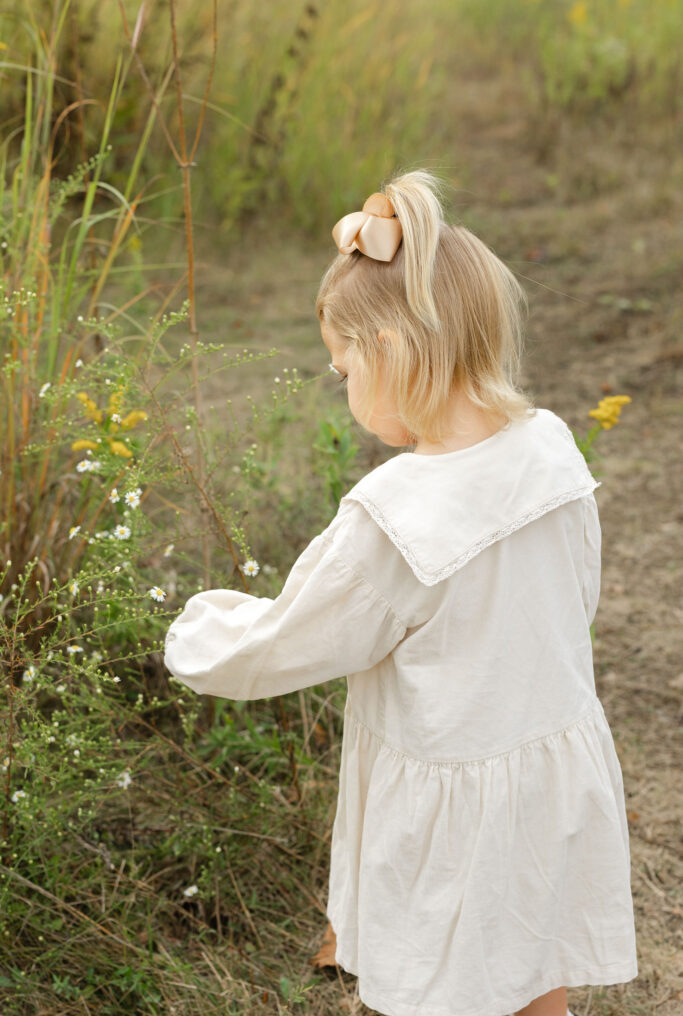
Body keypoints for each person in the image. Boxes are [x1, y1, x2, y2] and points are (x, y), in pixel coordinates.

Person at [163, 169, 638, 1016]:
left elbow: (293, 640)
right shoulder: (553, 451)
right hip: (548, 771)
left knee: (431, 984)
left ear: (387, 354)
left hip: (449, 812)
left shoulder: (395, 515)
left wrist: (200, 634)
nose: (343, 388)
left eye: (341, 368)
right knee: (533, 974)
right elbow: (578, 590)